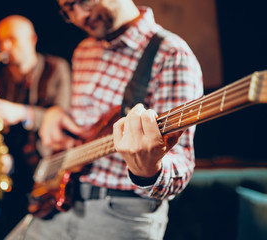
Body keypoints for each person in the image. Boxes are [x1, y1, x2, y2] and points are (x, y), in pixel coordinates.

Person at [19, 0, 203, 239]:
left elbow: (182, 166)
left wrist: (149, 170)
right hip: (66, 196)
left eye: (82, 2)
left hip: (122, 213)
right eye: (67, 10)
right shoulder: (84, 50)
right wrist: (57, 114)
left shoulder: (172, 54)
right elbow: (83, 129)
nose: (79, 16)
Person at [0, 15, 72, 239]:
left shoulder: (56, 68)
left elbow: (63, 116)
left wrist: (21, 113)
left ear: (32, 39)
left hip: (49, 167)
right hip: (14, 170)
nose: (5, 47)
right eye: (0, 41)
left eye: (11, 39)